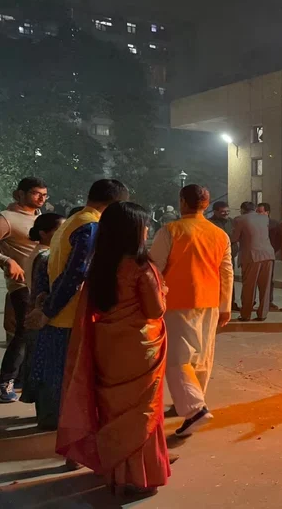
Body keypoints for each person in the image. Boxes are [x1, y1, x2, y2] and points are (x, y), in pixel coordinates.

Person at [57, 202, 170, 495]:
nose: (147, 230)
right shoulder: (141, 267)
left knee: (113, 413)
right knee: (142, 413)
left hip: (107, 348)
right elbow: (154, 311)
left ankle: (117, 474)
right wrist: (163, 291)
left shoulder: (99, 267)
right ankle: (139, 476)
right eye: (144, 226)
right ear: (133, 232)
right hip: (139, 350)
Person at [25, 179, 129, 429]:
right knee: (69, 378)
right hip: (70, 315)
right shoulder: (91, 226)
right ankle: (67, 430)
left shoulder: (70, 222)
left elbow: (54, 266)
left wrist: (45, 301)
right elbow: (75, 273)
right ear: (114, 204)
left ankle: (53, 422)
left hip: (58, 312)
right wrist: (48, 309)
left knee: (55, 373)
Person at [150, 184, 234, 438]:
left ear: (182, 203)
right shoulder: (219, 234)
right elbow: (226, 271)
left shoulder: (171, 230)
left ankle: (195, 409)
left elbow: (154, 269)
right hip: (210, 302)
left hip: (177, 301)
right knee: (201, 355)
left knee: (177, 359)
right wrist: (225, 306)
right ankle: (191, 401)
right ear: (206, 205)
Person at [0, 177, 47, 402]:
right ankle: (5, 381)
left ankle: (22, 378)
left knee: (34, 333)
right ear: (19, 194)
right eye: (37, 193)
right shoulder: (6, 219)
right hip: (21, 285)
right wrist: (6, 260)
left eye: (45, 195)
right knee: (23, 333)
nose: (42, 198)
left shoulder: (40, 218)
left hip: (41, 284)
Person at [17, 213, 64, 406]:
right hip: (41, 315)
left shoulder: (40, 252)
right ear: (44, 233)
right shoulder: (46, 256)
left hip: (35, 312)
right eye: (59, 230)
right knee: (43, 365)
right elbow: (41, 291)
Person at [232, 201, 274, 322]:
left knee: (249, 286)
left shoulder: (239, 219)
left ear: (242, 210)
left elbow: (234, 238)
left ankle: (246, 314)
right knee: (265, 286)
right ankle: (262, 314)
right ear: (255, 209)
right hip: (268, 255)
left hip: (251, 256)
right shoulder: (264, 218)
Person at [208, 201, 239, 310]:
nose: (226, 214)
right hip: (214, 257)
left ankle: (231, 303)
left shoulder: (232, 222)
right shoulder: (209, 223)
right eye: (222, 212)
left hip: (230, 256)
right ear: (215, 211)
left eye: (227, 211)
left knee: (229, 280)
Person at [256, 203, 282, 311]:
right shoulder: (254, 223)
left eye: (260, 211)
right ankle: (251, 301)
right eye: (257, 211)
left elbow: (278, 240)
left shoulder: (274, 224)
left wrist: (272, 251)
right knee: (254, 280)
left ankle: (268, 302)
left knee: (268, 281)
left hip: (269, 256)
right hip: (256, 255)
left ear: (267, 212)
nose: (257, 214)